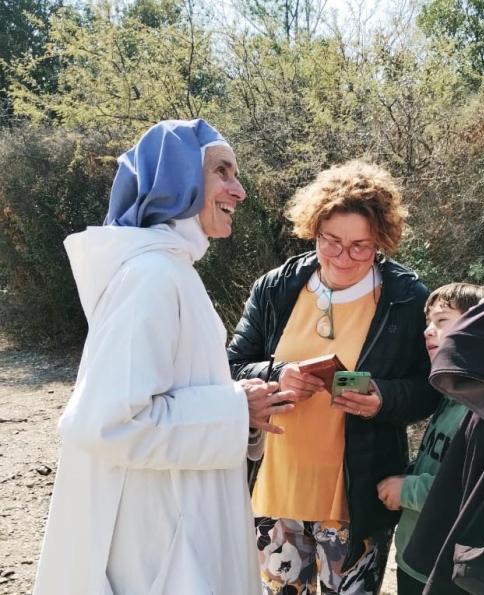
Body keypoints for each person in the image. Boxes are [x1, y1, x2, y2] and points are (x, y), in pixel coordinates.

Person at [33, 119, 295, 595]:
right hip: (160, 544)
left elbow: (174, 396)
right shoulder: (151, 278)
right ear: (180, 179)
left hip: (178, 518)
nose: (239, 191)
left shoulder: (170, 270)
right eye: (223, 172)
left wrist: (239, 403)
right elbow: (107, 421)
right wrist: (236, 409)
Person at [226, 159, 440, 594]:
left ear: (381, 239)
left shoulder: (406, 299)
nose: (344, 257)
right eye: (331, 242)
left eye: (361, 246)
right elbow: (230, 366)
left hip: (356, 498)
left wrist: (384, 398)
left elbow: (429, 389)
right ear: (314, 228)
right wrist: (277, 373)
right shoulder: (275, 287)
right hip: (274, 488)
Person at [376, 282, 484, 595]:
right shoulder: (450, 396)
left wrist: (407, 489)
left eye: (442, 321)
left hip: (445, 570)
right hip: (415, 558)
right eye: (428, 323)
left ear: (477, 326)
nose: (428, 331)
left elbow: (468, 491)